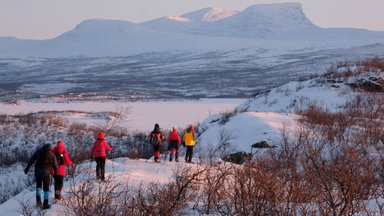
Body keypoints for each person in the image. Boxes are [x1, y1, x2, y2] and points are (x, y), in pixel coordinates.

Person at [24, 144, 58, 209]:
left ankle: (38, 202)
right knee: (46, 188)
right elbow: (55, 166)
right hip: (46, 173)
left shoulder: (38, 151)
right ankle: (45, 204)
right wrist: (55, 175)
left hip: (37, 172)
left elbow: (31, 160)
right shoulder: (52, 154)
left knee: (38, 186)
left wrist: (27, 168)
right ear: (50, 149)